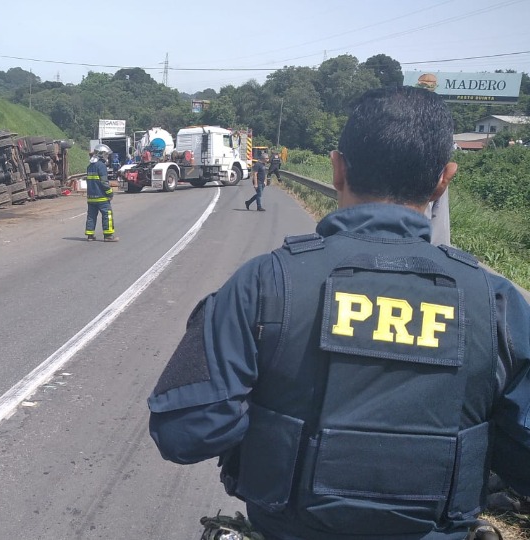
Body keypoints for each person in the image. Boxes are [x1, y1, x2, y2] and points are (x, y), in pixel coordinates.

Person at [148, 86, 530, 539]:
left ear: (337, 168)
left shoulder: (263, 284)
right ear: (445, 178)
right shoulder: (498, 303)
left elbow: (186, 433)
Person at [85, 144, 118, 242]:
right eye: (106, 154)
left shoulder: (89, 166)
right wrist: (110, 193)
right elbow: (104, 182)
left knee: (91, 216)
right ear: (101, 154)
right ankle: (108, 236)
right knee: (107, 215)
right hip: (101, 197)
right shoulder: (101, 166)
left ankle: (90, 235)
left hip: (91, 197)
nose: (107, 156)